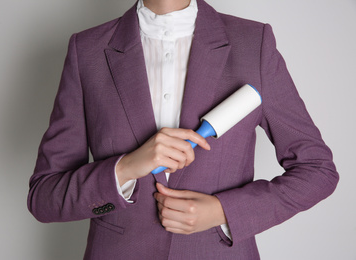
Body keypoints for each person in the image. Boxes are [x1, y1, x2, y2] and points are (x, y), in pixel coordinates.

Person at [27, 0, 339, 259]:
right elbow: (44, 197)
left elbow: (317, 171)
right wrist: (126, 168)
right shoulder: (88, 51)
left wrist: (222, 212)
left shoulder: (251, 43)